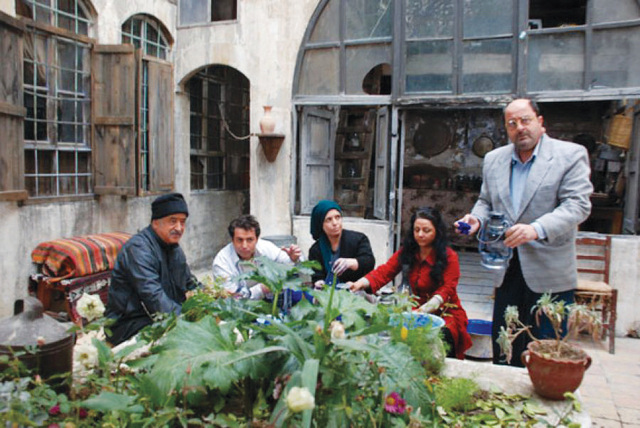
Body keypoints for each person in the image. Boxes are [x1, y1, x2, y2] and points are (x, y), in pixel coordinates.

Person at [454, 98, 593, 366]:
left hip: (549, 271)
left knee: (546, 353)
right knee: (505, 346)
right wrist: (476, 219)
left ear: (540, 122)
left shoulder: (570, 155)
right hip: (506, 268)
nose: (520, 128)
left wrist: (536, 229)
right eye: (512, 123)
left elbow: (577, 205)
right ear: (506, 128)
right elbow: (486, 201)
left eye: (525, 120)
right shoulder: (494, 159)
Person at [349, 206, 472, 359]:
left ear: (437, 232)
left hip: (446, 312)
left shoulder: (449, 256)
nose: (420, 234)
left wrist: (423, 311)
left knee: (442, 339)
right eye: (416, 230)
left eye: (426, 230)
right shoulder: (407, 251)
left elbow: (447, 289)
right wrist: (360, 283)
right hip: (415, 310)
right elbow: (385, 271)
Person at [106, 193, 199, 346]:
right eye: (173, 221)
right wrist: (187, 322)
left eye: (182, 222)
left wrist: (212, 299)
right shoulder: (138, 248)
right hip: (129, 323)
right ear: (156, 223)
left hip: (162, 317)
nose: (179, 228)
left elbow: (190, 283)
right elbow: (154, 296)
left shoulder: (174, 248)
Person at [212, 214, 302, 299]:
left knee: (300, 294)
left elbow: (289, 266)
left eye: (249, 240)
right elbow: (233, 298)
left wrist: (293, 258)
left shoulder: (266, 247)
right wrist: (262, 289)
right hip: (242, 306)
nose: (244, 245)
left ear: (257, 239)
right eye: (239, 240)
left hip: (271, 298)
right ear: (232, 240)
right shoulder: (222, 262)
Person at [308, 200, 375, 287]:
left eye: (338, 217)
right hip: (328, 292)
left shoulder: (358, 239)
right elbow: (317, 276)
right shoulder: (315, 250)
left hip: (355, 290)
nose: (335, 223)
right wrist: (319, 283)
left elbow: (369, 262)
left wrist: (351, 263)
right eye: (328, 220)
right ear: (320, 224)